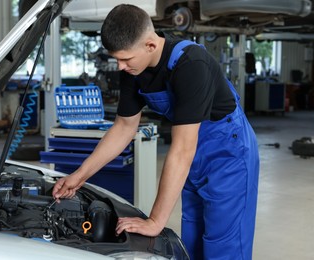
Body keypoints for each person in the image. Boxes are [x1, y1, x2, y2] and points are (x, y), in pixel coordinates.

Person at [53, 4, 260, 259]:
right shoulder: (133, 69)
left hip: (229, 153)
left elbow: (182, 149)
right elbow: (123, 127)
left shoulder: (191, 65)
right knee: (193, 238)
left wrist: (155, 221)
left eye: (125, 59)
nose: (120, 67)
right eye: (117, 59)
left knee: (224, 243)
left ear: (150, 45)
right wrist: (80, 175)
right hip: (195, 154)